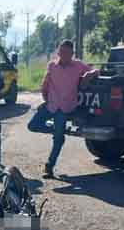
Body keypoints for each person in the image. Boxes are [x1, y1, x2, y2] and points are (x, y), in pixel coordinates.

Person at [27, 40, 101, 178]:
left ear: (72, 53)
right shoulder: (52, 65)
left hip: (65, 107)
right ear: (58, 52)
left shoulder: (78, 65)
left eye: (67, 52)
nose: (63, 55)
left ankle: (49, 166)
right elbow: (45, 84)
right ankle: (59, 131)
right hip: (51, 104)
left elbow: (96, 71)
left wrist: (90, 74)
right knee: (32, 125)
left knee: (57, 139)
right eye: (61, 52)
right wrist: (45, 98)